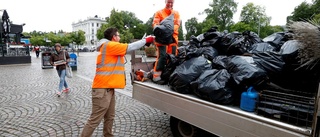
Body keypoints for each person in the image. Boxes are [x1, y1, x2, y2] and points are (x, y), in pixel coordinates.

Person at [80, 27, 155, 137]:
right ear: (114, 37)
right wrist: (146, 40)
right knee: (94, 120)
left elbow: (128, 48)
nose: (120, 37)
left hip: (109, 89)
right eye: (118, 35)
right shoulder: (109, 46)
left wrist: (142, 41)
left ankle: (108, 135)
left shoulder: (110, 47)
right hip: (102, 90)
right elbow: (129, 47)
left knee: (110, 117)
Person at [152, 0, 180, 84]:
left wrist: (169, 29)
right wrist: (163, 30)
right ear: (165, 2)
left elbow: (177, 24)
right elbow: (155, 24)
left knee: (173, 58)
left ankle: (169, 76)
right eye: (168, 2)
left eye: (171, 2)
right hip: (162, 39)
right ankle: (156, 77)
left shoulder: (176, 13)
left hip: (172, 39)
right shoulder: (159, 13)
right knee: (162, 56)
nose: (170, 4)